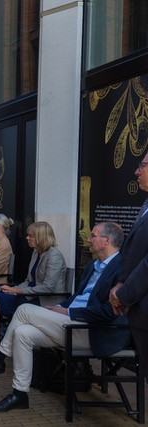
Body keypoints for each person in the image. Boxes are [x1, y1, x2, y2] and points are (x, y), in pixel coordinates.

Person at [0, 222, 128, 412]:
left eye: (93, 235)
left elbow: (108, 312)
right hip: (71, 324)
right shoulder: (92, 266)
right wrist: (60, 307)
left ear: (107, 240)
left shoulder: (122, 269)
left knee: (24, 311)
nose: (88, 239)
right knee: (23, 333)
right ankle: (19, 394)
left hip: (93, 331)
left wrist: (68, 312)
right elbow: (75, 298)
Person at [0, 221, 67, 360]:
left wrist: (18, 291)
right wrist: (13, 288)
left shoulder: (54, 255)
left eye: (31, 236)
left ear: (41, 237)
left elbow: (48, 287)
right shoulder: (36, 253)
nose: (27, 238)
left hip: (42, 301)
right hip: (30, 296)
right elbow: (29, 281)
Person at [110, 154, 148, 380]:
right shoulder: (144, 205)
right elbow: (135, 254)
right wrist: (121, 283)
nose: (136, 171)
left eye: (142, 166)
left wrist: (123, 295)